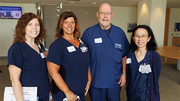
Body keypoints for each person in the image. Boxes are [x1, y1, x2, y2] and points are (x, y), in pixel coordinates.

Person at [81, 3, 129, 101]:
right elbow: (82, 58)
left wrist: (124, 73)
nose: (105, 16)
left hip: (114, 82)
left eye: (108, 13)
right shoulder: (88, 33)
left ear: (112, 14)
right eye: (102, 13)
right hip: (95, 81)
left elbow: (124, 55)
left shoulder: (119, 33)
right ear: (97, 14)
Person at [47, 11, 91, 101]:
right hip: (65, 95)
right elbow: (53, 72)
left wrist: (89, 80)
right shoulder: (57, 45)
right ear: (61, 25)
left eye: (72, 22)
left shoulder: (81, 42)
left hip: (80, 92)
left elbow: (86, 62)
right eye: (66, 22)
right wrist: (67, 92)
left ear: (75, 24)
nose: (69, 25)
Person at [8, 12, 50, 101]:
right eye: (30, 24)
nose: (34, 28)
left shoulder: (40, 46)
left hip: (44, 94)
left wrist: (49, 91)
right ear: (23, 27)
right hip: (29, 97)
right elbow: (14, 80)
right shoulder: (16, 48)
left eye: (37, 25)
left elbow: (43, 71)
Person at [126, 25, 161, 101]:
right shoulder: (129, 55)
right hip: (132, 92)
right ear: (133, 38)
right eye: (137, 36)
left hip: (146, 94)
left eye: (143, 36)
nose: (140, 39)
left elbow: (156, 77)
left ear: (149, 38)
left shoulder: (154, 56)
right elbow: (129, 75)